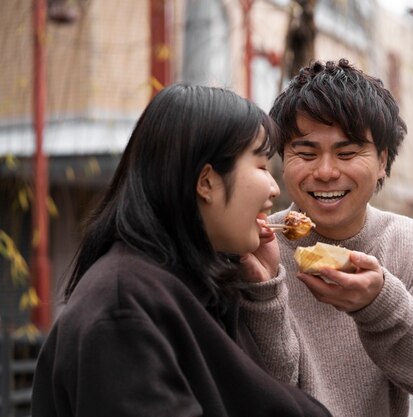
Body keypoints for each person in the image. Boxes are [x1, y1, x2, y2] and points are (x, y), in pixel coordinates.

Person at [31, 84, 332, 417]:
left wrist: (264, 292)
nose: (275, 188)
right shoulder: (124, 311)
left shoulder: (203, 287)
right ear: (206, 182)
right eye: (261, 167)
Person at [239, 59, 413, 417]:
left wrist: (377, 304)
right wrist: (264, 290)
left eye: (347, 153)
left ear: (382, 161)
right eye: (306, 152)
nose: (327, 172)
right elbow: (260, 391)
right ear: (282, 158)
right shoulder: (255, 243)